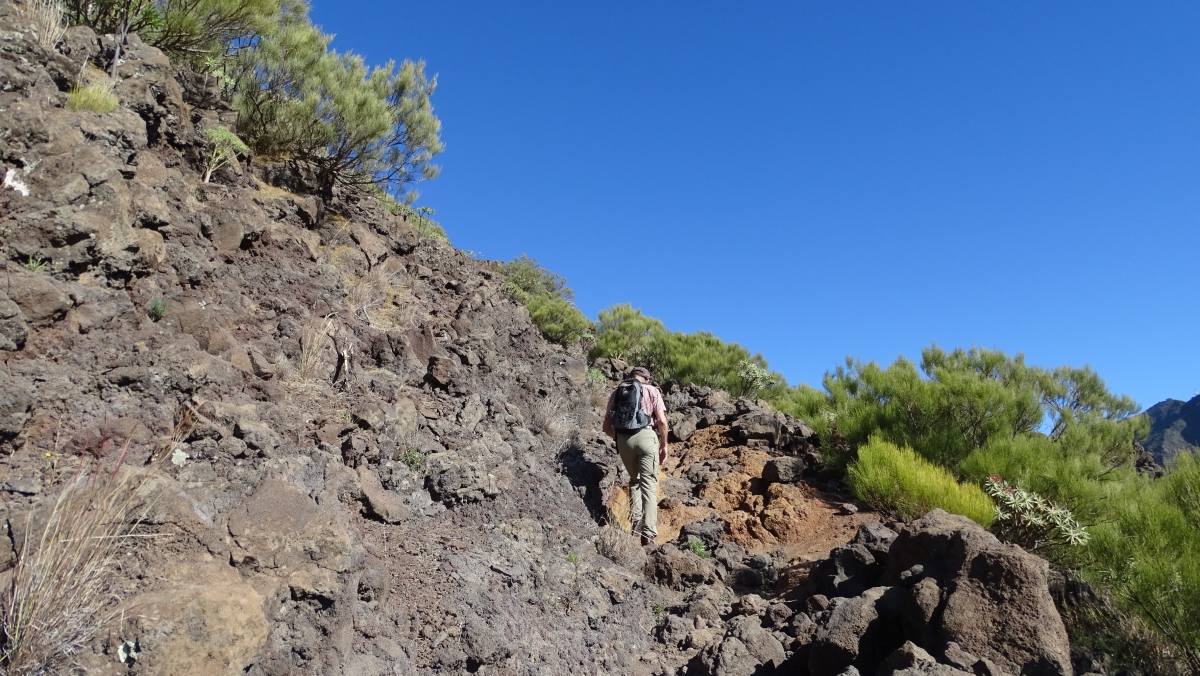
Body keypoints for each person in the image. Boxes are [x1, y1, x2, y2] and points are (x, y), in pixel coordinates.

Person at [602, 366, 669, 546]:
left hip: (623, 440)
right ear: (646, 379)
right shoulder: (652, 390)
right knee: (648, 485)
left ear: (631, 377)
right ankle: (648, 534)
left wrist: (619, 439)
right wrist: (664, 445)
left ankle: (634, 528)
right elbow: (661, 421)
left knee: (635, 481)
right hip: (647, 437)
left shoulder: (618, 392)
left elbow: (606, 426)